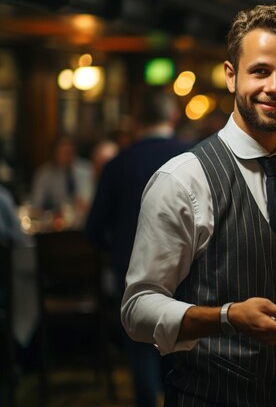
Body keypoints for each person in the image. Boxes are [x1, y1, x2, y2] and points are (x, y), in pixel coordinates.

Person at [121, 5, 276, 407]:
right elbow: (138, 309)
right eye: (260, 71)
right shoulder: (182, 181)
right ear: (231, 75)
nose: (274, 86)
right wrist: (226, 316)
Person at [85, 87, 189, 407]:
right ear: (173, 116)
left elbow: (93, 229)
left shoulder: (118, 164)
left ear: (137, 121)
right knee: (183, 355)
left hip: (131, 276)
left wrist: (119, 253)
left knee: (141, 350)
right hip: (187, 273)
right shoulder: (195, 157)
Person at [30, 135, 93, 218]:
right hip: (55, 223)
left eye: (70, 152)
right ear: (55, 153)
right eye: (64, 153)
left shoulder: (87, 170)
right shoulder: (44, 175)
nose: (67, 157)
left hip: (83, 221)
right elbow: (36, 206)